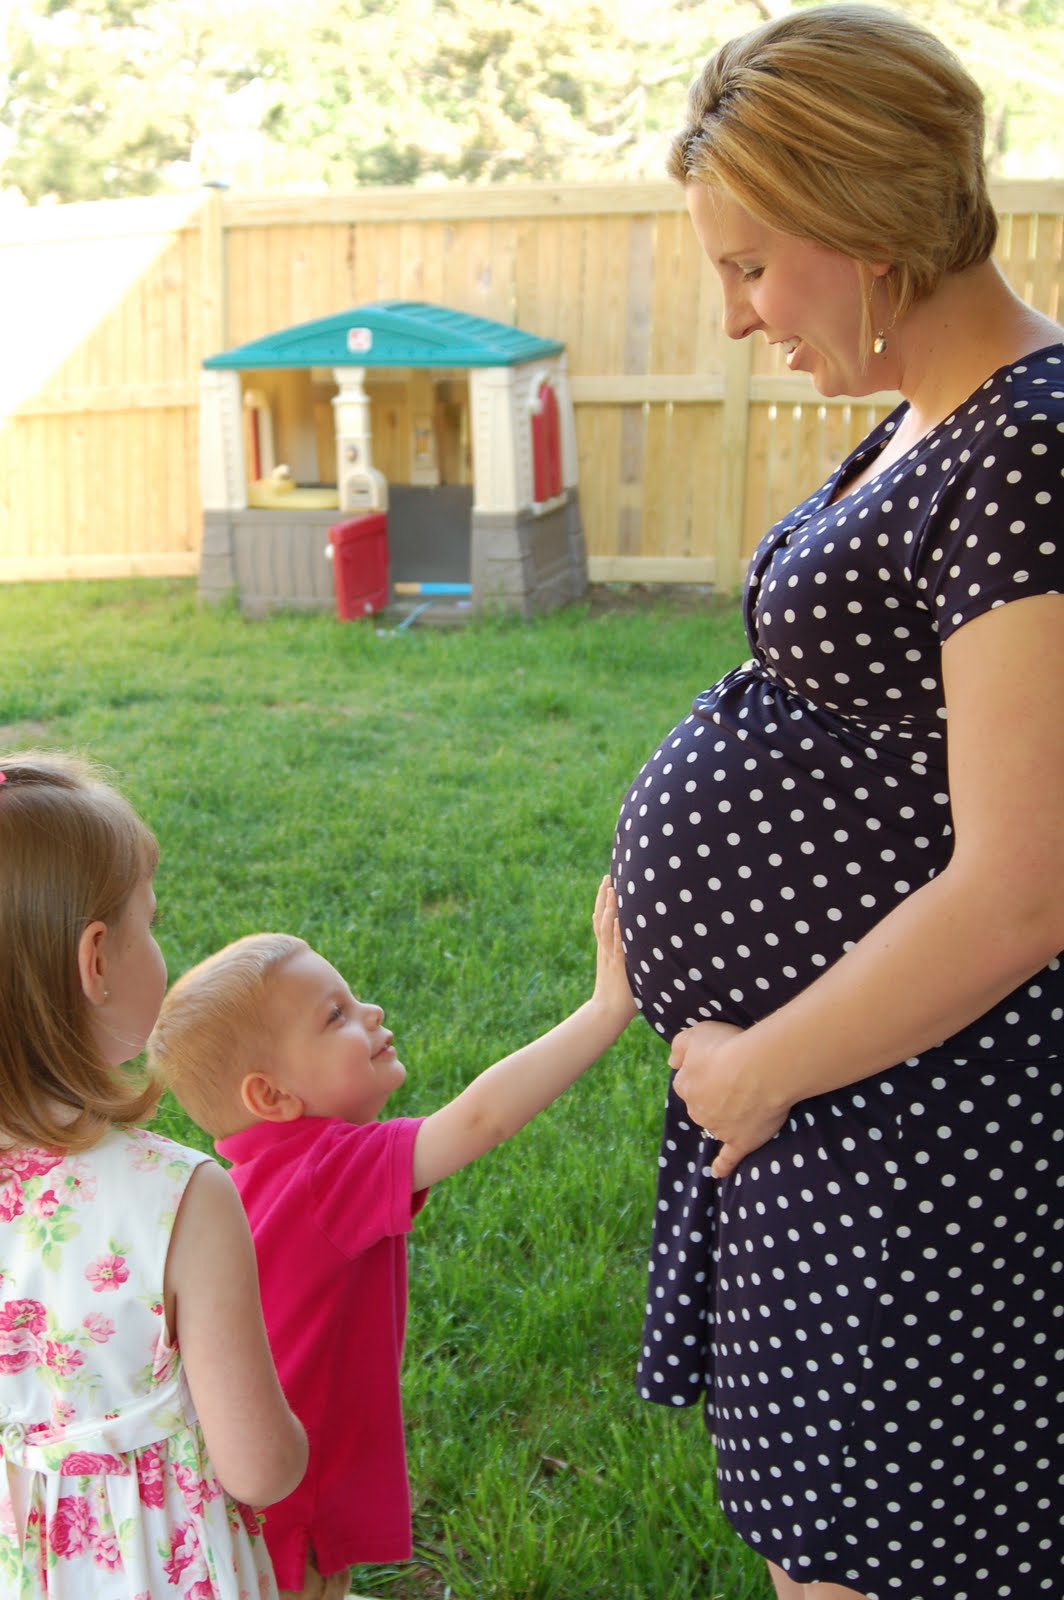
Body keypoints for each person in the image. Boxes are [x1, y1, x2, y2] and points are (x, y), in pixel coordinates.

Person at [611, 7, 1063, 1599]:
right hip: (843, 1099)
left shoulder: (1030, 451)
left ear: (866, 224)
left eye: (750, 267)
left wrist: (759, 1067)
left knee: (879, 1555)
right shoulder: (934, 419)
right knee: (823, 1543)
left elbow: (1026, 886)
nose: (736, 316)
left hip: (916, 1123)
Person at [148, 876, 634, 1600]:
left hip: (229, 1493)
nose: (371, 1012)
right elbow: (481, 1120)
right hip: (296, 1493)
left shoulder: (239, 1182)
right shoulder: (325, 1171)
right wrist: (604, 1010)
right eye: (336, 1015)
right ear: (271, 1096)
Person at [0, 751, 308, 1600]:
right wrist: (298, 1437)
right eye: (152, 921)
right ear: (95, 961)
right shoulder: (178, 1198)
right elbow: (260, 1468)